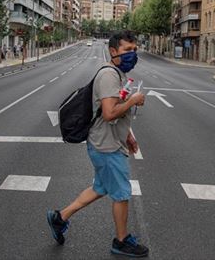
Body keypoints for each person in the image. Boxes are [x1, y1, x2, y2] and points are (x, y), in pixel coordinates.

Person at [47, 30, 149, 258]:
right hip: (106, 146)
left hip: (108, 142)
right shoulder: (109, 75)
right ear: (113, 51)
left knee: (100, 188)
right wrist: (133, 100)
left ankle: (59, 218)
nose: (133, 54)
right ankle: (121, 242)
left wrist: (129, 135)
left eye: (134, 50)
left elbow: (114, 113)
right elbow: (110, 112)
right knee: (122, 193)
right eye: (127, 50)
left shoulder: (118, 74)